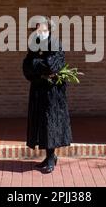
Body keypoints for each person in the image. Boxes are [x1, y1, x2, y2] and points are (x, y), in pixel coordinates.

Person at [22, 16, 73, 174]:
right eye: (36, 28)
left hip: (52, 92)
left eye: (42, 28)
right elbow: (26, 66)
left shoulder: (55, 43)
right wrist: (38, 67)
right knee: (41, 124)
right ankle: (47, 157)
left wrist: (37, 65)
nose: (39, 31)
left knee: (50, 122)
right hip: (38, 89)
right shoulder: (33, 44)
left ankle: (51, 158)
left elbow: (52, 65)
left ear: (48, 29)